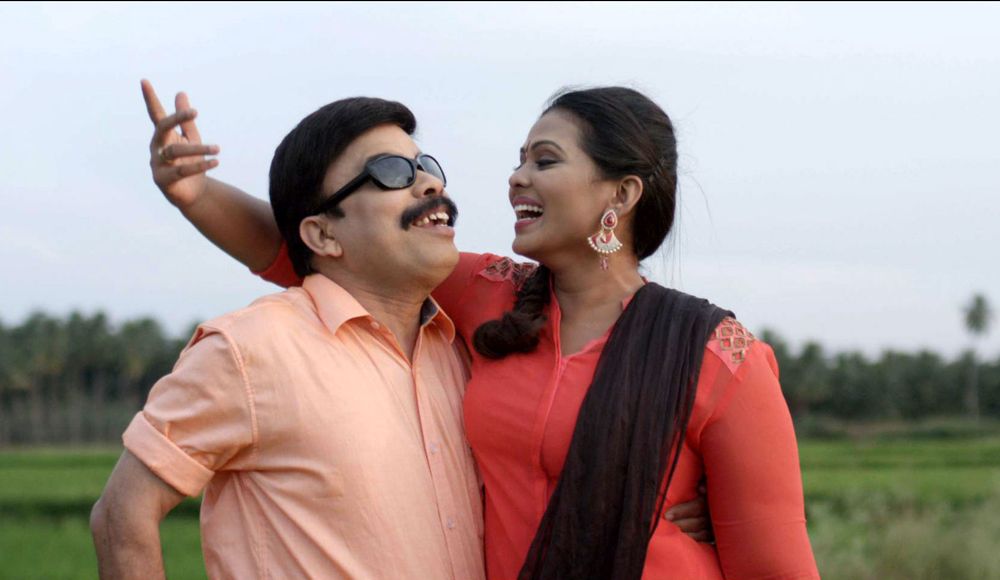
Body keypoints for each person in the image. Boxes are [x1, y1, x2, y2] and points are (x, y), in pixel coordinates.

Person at [149, 83, 818, 578]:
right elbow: (326, 249)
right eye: (519, 160)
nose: (516, 177)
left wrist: (664, 484)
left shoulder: (714, 356)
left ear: (620, 195)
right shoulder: (488, 294)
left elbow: (777, 570)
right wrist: (196, 194)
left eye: (545, 162)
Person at [90, 94, 487, 579]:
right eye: (391, 171)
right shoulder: (250, 349)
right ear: (322, 235)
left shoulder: (460, 350)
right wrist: (201, 194)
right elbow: (121, 514)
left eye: (426, 166)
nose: (430, 183)